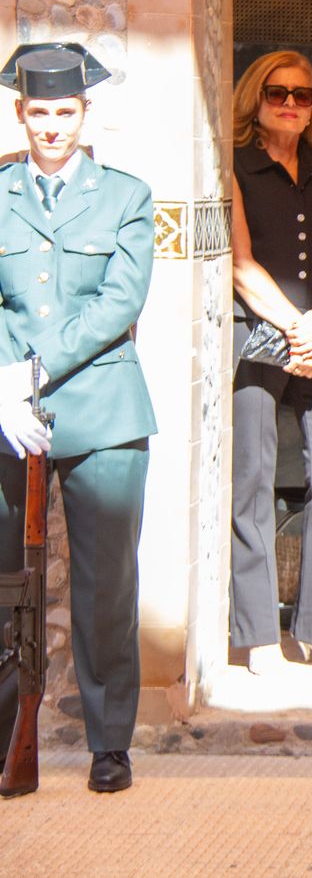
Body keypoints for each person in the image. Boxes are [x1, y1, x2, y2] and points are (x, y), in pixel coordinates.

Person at [0, 42, 157, 793]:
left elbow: (119, 303)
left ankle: (109, 744)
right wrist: (2, 386)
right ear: (20, 112)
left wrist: (31, 369)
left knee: (105, 589)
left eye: (65, 112)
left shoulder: (126, 196)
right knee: (6, 582)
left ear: (84, 113)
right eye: (40, 112)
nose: (53, 126)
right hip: (8, 412)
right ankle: (7, 737)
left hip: (103, 411)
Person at [229, 50, 312, 672]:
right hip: (259, 331)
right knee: (252, 477)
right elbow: (240, 264)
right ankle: (257, 632)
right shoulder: (235, 165)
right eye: (277, 92)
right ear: (255, 99)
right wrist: (295, 326)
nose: (289, 103)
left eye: (302, 94)